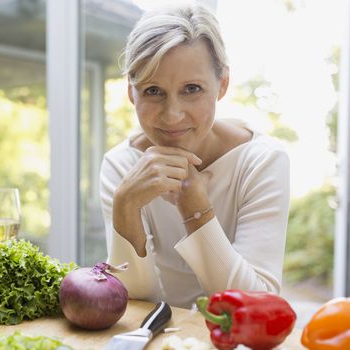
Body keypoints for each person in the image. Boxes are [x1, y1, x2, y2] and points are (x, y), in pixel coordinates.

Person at [99, 1, 290, 309]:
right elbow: (133, 301)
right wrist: (126, 204)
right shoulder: (121, 166)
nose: (172, 116)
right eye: (152, 91)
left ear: (222, 84)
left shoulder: (262, 161)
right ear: (131, 93)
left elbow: (256, 305)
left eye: (192, 88)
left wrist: (195, 208)